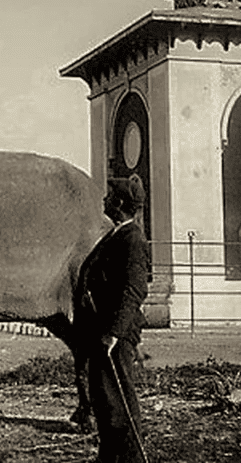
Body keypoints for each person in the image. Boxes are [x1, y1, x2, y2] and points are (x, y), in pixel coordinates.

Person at [80, 175, 150, 463]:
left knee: (119, 399)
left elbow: (135, 288)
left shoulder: (132, 239)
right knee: (105, 399)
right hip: (105, 329)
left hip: (115, 335)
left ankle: (132, 458)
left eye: (109, 196)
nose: (104, 199)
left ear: (119, 203)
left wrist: (114, 332)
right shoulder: (117, 234)